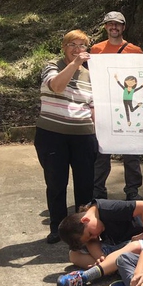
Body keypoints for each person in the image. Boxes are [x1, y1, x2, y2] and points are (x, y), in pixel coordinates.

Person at [34, 29, 97, 244]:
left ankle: (82, 229)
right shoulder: (52, 66)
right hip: (52, 136)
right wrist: (75, 64)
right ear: (64, 47)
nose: (77, 49)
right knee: (56, 184)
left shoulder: (91, 75)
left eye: (82, 45)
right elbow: (57, 86)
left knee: (85, 186)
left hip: (83, 136)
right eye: (72, 45)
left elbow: (93, 107)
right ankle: (57, 228)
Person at [91, 11, 143, 201]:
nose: (114, 27)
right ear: (106, 27)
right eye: (110, 24)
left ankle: (132, 191)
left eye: (117, 24)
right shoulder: (96, 50)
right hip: (104, 108)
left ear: (123, 27)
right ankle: (98, 191)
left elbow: (142, 76)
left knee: (131, 153)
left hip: (126, 106)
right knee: (101, 153)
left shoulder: (135, 51)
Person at [55, 198, 143, 286]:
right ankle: (110, 267)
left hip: (139, 246)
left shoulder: (109, 208)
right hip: (115, 248)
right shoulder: (90, 217)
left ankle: (86, 276)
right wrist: (99, 256)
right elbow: (91, 241)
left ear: (85, 220)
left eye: (90, 234)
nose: (94, 236)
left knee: (136, 246)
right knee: (73, 254)